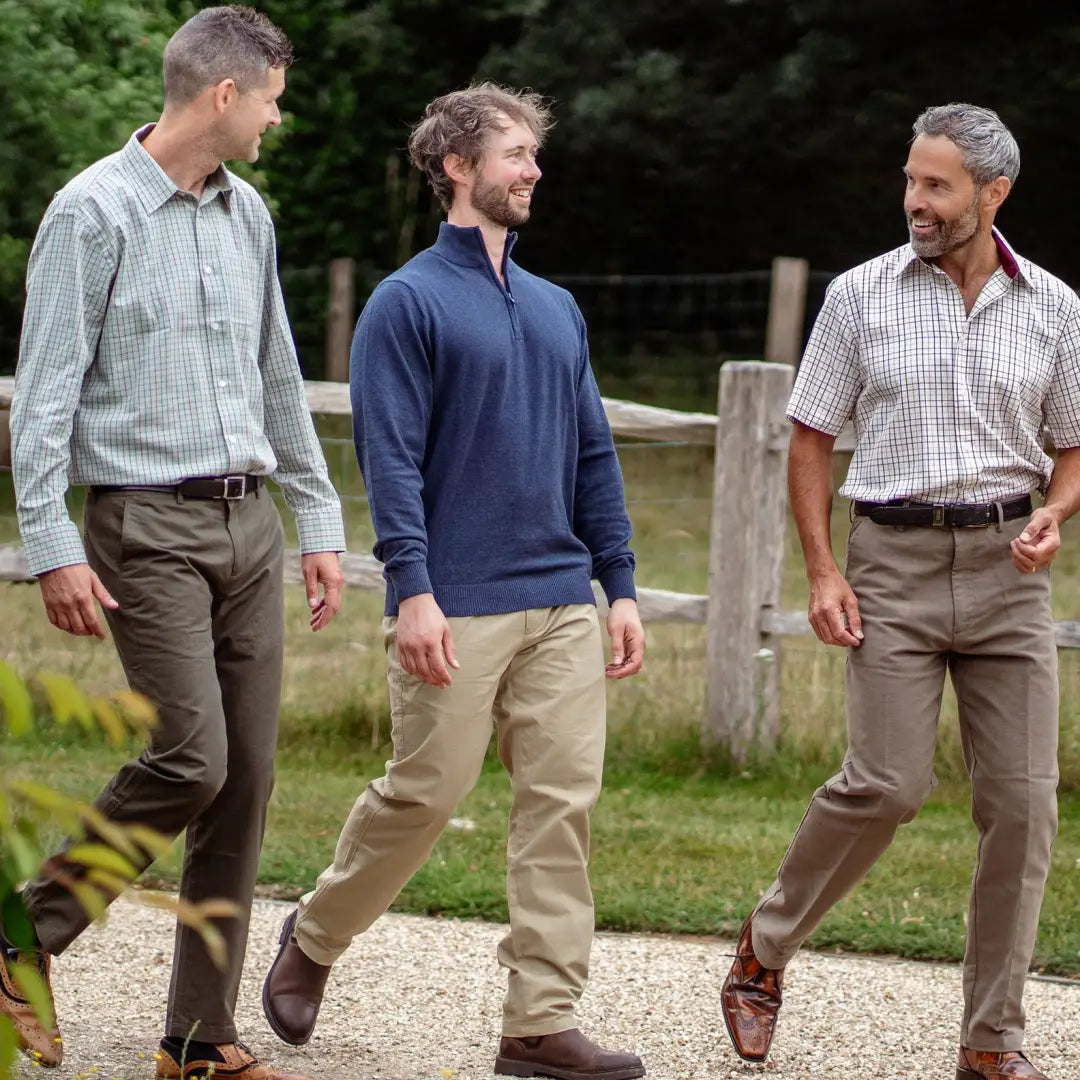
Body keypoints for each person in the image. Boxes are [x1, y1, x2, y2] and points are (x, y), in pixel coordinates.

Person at [261, 83, 646, 1080]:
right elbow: (388, 461)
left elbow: (592, 458)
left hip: (563, 598)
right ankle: (313, 936)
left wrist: (623, 584)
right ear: (458, 168)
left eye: (533, 154)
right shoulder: (408, 302)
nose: (534, 170)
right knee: (427, 793)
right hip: (458, 600)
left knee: (561, 806)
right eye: (515, 154)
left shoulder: (558, 310)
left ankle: (538, 1023)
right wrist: (414, 590)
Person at [2, 7, 345, 1079]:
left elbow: (277, 376)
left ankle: (199, 1038)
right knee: (191, 758)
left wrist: (317, 517)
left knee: (244, 781)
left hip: (248, 521)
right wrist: (52, 543)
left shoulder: (251, 219)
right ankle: (23, 937)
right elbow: (43, 398)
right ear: (224, 96)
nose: (279, 121)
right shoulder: (92, 213)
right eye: (275, 99)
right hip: (142, 525)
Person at [720, 103, 1080, 1080]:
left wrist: (1057, 510)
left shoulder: (1053, 304)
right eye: (911, 180)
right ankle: (765, 947)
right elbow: (809, 437)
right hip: (892, 562)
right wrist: (823, 569)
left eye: (937, 185)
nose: (914, 200)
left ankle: (990, 1043)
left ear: (992, 195)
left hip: (1009, 572)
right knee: (888, 783)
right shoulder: (862, 295)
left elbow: (1074, 444)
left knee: (1023, 808)